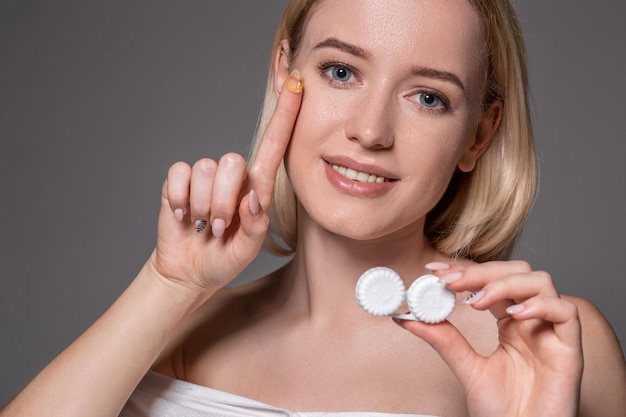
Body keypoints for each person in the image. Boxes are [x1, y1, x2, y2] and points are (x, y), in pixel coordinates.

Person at [2, 0, 626, 416]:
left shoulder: (550, 345)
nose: (371, 131)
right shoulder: (180, 331)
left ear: (479, 136)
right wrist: (168, 286)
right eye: (341, 71)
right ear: (285, 73)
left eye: (428, 98)